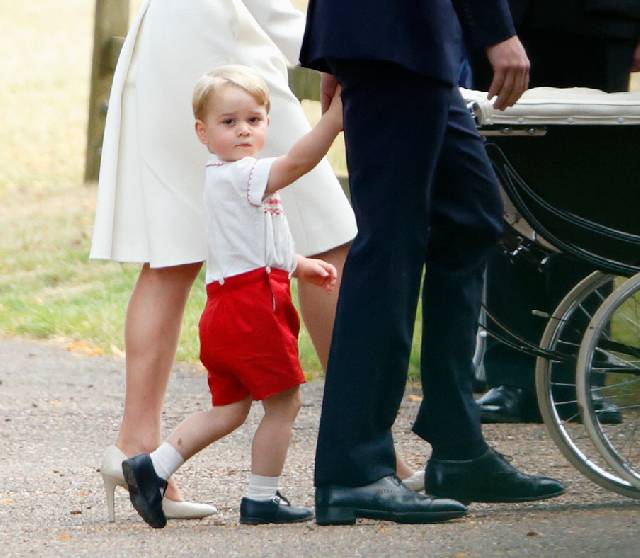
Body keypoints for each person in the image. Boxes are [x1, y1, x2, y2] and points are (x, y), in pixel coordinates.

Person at [300, 0, 566, 526]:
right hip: (393, 30)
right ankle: (353, 470)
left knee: (473, 216)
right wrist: (496, 30)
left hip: (402, 36)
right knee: (390, 247)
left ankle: (457, 445)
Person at [92, 0, 358, 522]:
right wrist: (346, 59)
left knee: (172, 251)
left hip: (175, 38)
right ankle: (363, 448)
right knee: (329, 232)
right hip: (222, 39)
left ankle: (137, 447)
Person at [470, 0, 640, 424]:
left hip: (602, 20)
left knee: (592, 197)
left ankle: (578, 376)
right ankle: (512, 375)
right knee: (506, 196)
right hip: (506, 18)